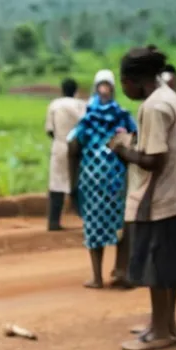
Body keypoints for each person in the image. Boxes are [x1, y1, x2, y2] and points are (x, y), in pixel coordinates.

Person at [109, 45, 176, 350]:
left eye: (124, 81)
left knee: (157, 266)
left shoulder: (153, 106)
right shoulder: (169, 97)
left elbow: (155, 160)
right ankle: (166, 324)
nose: (123, 88)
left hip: (161, 197)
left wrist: (122, 149)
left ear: (134, 80)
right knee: (170, 265)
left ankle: (161, 331)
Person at [67, 69, 137, 289]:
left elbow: (72, 146)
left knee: (105, 225)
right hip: (111, 179)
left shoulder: (88, 117)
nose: (105, 91)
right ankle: (115, 272)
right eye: (102, 86)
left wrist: (73, 180)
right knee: (114, 225)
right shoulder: (121, 116)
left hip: (97, 178)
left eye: (107, 86)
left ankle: (109, 274)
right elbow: (134, 140)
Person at [45, 77, 86, 230]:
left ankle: (53, 222)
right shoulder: (82, 105)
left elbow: (50, 130)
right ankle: (87, 219)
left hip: (59, 146)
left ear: (62, 90)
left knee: (56, 184)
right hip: (78, 147)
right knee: (79, 182)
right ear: (75, 90)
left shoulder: (54, 105)